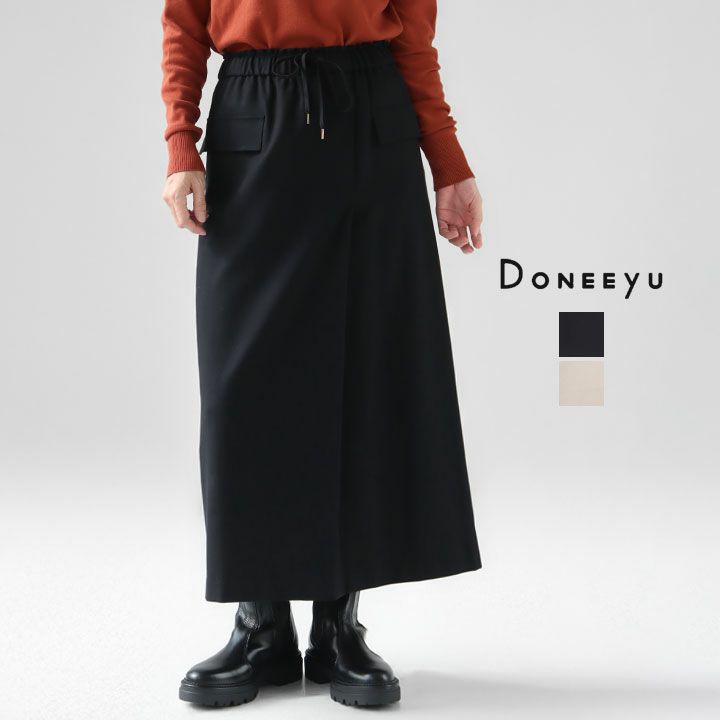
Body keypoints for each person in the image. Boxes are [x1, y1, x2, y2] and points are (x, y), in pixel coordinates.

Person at [160, 0, 483, 708]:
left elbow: (414, 37)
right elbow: (184, 21)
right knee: (245, 388)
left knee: (362, 370)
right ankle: (260, 626)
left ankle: (338, 627)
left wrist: (447, 162)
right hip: (253, 115)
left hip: (370, 120)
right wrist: (181, 143)